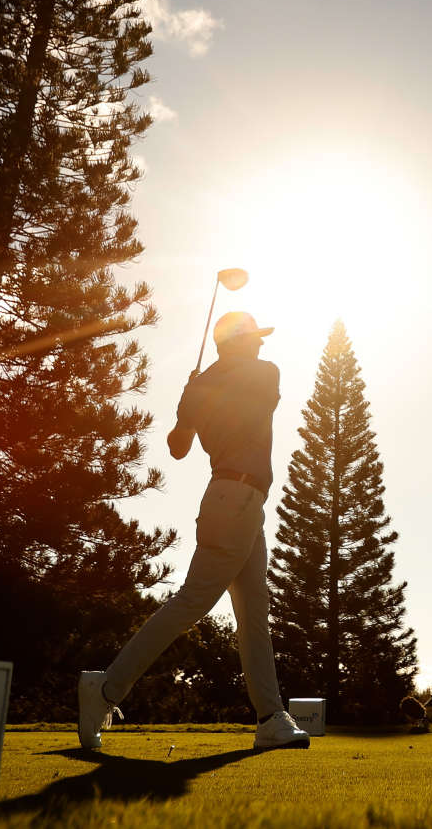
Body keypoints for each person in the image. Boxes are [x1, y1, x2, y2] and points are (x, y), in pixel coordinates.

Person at [78, 311, 310, 751]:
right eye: (254, 339)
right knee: (193, 601)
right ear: (236, 343)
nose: (262, 346)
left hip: (244, 504)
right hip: (232, 499)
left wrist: (198, 393)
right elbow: (178, 446)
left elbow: (186, 441)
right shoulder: (249, 374)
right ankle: (107, 689)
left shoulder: (240, 376)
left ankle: (268, 716)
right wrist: (191, 401)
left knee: (253, 614)